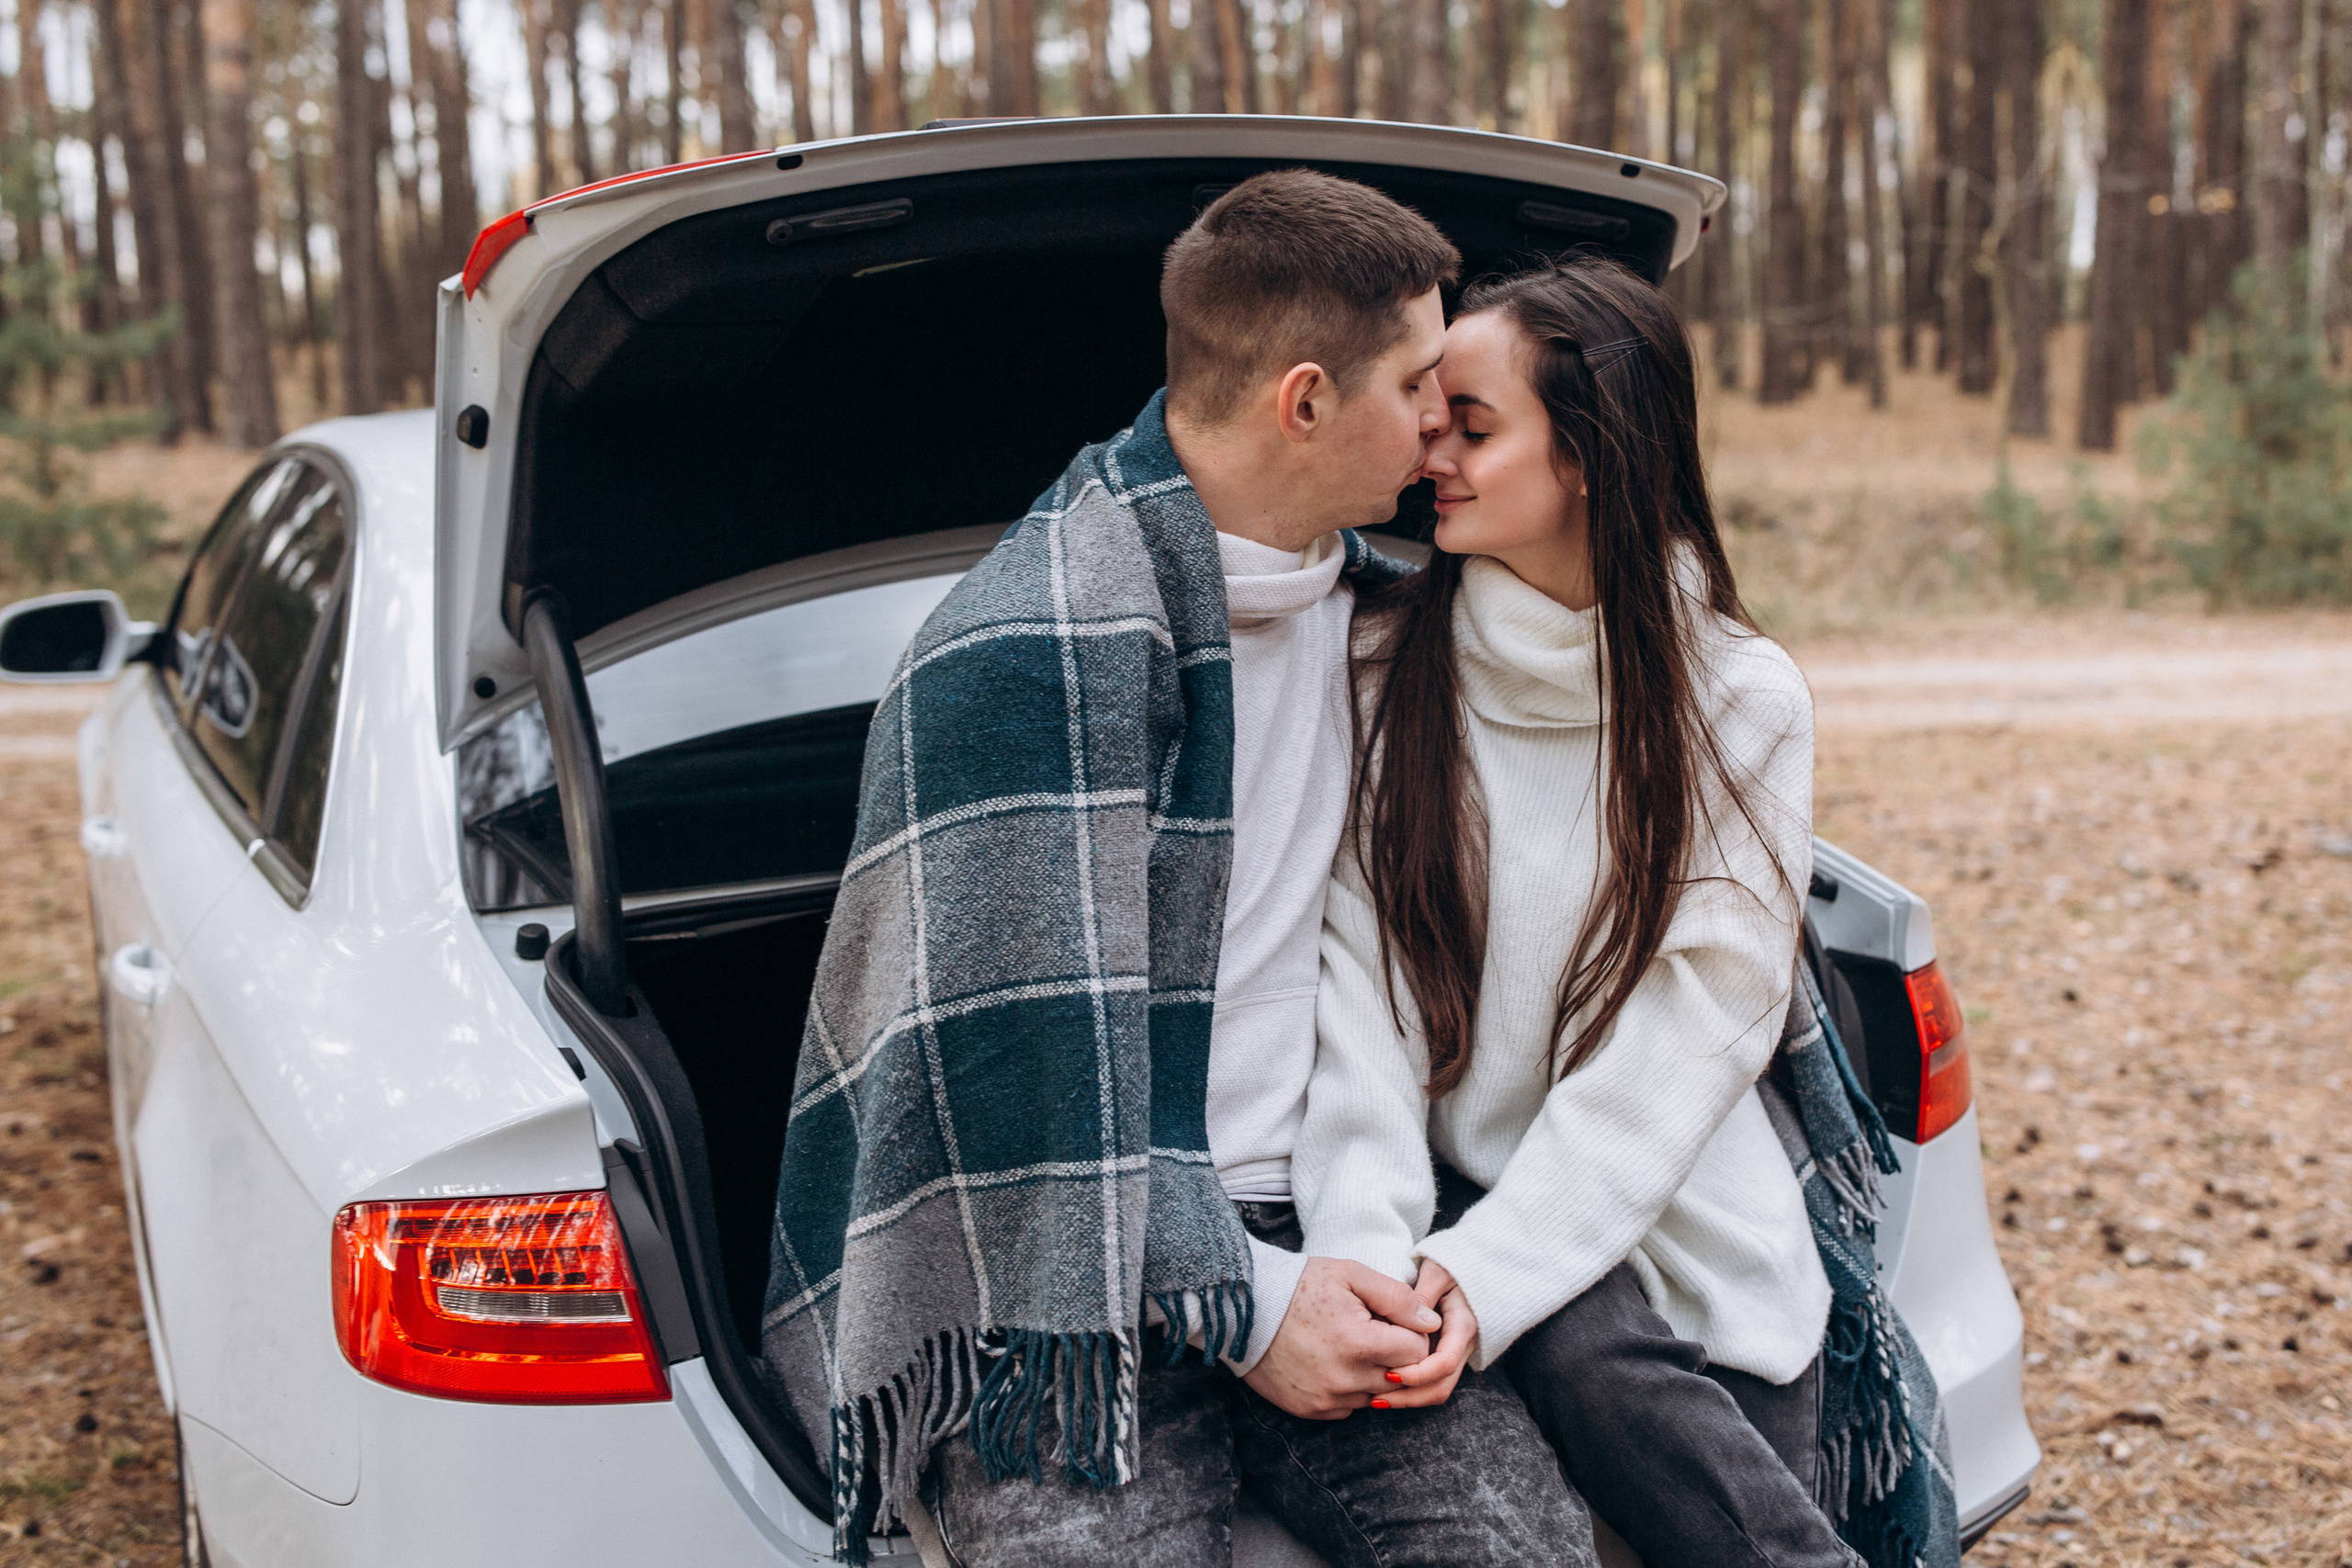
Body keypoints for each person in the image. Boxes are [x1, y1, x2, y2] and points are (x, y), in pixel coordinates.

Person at [762, 170, 1596, 1568]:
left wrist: (1340, 1263)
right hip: (1058, 1261)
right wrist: (1251, 1313)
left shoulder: (1397, 623)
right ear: (1307, 402)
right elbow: (1024, 1093)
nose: (1440, 424)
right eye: (1417, 387)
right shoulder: (1021, 654)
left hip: (1338, 1210)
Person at [1295, 257, 1959, 1568]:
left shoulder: (1738, 698)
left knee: (1614, 1359)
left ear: (1591, 454)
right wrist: (1370, 1254)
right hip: (1460, 1218)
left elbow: (1696, 1025)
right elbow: (1354, 992)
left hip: (1692, 1241)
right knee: (1586, 1342)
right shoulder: (1378, 670)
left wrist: (1498, 1273)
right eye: (1432, 408)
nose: (1430, 441)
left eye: (1473, 423)